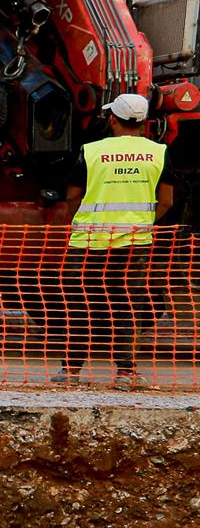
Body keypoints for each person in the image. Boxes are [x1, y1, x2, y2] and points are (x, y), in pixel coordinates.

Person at [55, 93, 174, 388]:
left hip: (88, 243)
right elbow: (168, 201)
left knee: (81, 305)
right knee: (126, 305)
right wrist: (142, 225)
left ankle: (70, 372)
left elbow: (72, 196)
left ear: (112, 119)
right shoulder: (158, 152)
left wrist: (79, 220)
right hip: (134, 243)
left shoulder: (91, 151)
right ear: (144, 122)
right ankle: (126, 373)